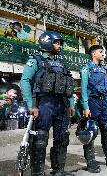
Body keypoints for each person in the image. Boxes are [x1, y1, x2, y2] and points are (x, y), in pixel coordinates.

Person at [20, 31, 75, 175]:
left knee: (62, 138)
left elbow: (68, 84)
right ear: (47, 41)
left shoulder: (62, 63)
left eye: (60, 43)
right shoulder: (35, 60)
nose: (59, 45)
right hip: (44, 103)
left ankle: (58, 170)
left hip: (62, 104)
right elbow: (25, 81)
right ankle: (38, 172)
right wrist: (31, 105)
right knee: (40, 139)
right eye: (57, 42)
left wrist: (71, 103)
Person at [80, 45, 107, 173]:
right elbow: (83, 89)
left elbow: (106, 90)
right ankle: (91, 161)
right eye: (101, 52)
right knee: (90, 132)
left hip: (103, 103)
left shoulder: (104, 69)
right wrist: (85, 107)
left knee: (106, 129)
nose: (103, 54)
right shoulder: (86, 68)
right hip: (92, 102)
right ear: (94, 54)